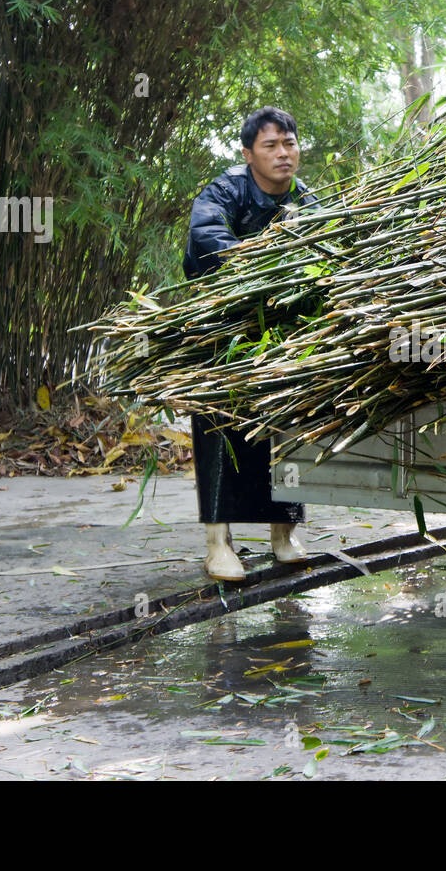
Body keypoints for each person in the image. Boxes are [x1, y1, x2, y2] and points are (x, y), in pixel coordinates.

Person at [184, 106, 320, 581]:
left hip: (283, 335)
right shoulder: (226, 189)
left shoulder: (309, 201)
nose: (284, 154)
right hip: (224, 332)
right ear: (248, 154)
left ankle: (284, 532)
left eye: (290, 143)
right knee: (220, 428)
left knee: (284, 426)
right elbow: (206, 237)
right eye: (271, 145)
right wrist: (261, 262)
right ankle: (217, 543)